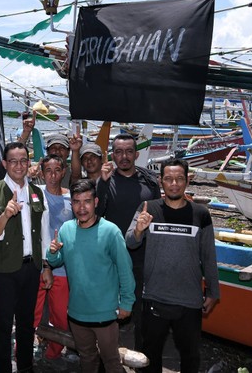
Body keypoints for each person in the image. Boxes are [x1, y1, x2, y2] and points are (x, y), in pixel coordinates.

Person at [126, 158, 220, 373]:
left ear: (187, 180)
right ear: (161, 181)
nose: (174, 184)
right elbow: (129, 242)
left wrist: (213, 291)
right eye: (169, 179)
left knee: (190, 356)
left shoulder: (200, 214)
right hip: (154, 297)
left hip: (189, 301)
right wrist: (139, 229)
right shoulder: (149, 209)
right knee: (150, 356)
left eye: (179, 179)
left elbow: (208, 256)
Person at [47, 179, 135, 373]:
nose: (82, 207)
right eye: (77, 202)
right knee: (86, 358)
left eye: (87, 201)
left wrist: (127, 302)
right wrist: (52, 253)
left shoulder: (110, 231)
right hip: (77, 313)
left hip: (105, 313)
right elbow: (56, 262)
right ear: (71, 204)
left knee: (111, 361)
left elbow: (125, 269)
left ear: (95, 202)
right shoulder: (66, 229)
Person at [0, 141, 50, 373]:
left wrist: (47, 264)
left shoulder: (37, 192)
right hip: (3, 271)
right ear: (4, 164)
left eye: (23, 161)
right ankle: (2, 368)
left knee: (27, 324)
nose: (18, 166)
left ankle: (25, 366)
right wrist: (6, 215)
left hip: (31, 267)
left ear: (28, 163)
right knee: (2, 324)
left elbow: (44, 232)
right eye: (13, 161)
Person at [96, 133, 160, 351]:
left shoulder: (150, 180)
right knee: (111, 310)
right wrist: (102, 183)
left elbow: (158, 214)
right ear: (113, 155)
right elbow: (95, 213)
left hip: (143, 254)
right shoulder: (106, 181)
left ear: (137, 154)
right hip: (114, 256)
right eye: (119, 152)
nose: (124, 157)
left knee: (141, 310)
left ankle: (141, 357)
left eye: (129, 151)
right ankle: (108, 358)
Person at [33, 155, 73, 361]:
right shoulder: (34, 194)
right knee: (33, 312)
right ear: (42, 173)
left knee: (60, 315)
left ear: (63, 171)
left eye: (57, 170)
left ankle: (53, 353)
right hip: (38, 265)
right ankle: (25, 348)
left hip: (63, 268)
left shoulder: (72, 198)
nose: (53, 175)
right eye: (48, 171)